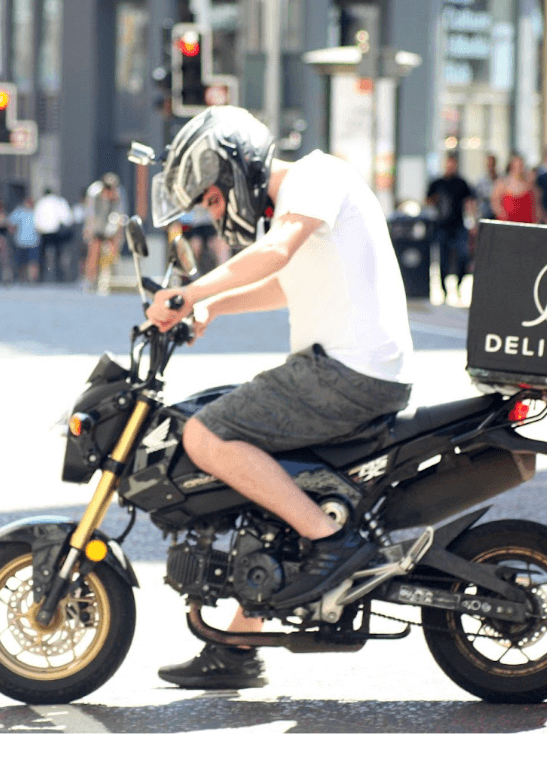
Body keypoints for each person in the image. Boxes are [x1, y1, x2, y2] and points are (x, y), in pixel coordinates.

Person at [146, 105, 414, 690]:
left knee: (206, 433)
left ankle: (330, 540)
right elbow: (278, 283)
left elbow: (274, 255)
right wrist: (209, 307)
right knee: (259, 476)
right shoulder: (300, 203)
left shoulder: (316, 177)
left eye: (213, 200)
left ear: (235, 168)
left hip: (348, 374)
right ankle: (237, 645)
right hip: (341, 370)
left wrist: (187, 293)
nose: (215, 214)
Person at [425, 153, 476, 304]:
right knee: (442, 260)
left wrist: (472, 221)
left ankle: (459, 286)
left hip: (459, 226)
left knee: (462, 256)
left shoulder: (462, 183)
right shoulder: (437, 183)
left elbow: (470, 202)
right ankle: (444, 291)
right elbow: (427, 200)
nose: (450, 166)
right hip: (441, 226)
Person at [83, 173, 125, 290]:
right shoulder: (94, 192)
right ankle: (90, 279)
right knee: (94, 249)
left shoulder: (119, 194)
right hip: (96, 226)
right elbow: (89, 214)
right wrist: (89, 231)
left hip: (110, 225)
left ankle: (107, 277)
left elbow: (120, 215)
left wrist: (118, 234)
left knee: (112, 249)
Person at [33, 186, 73, 282]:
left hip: (43, 232)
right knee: (58, 255)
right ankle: (59, 277)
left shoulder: (40, 202)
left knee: (42, 256)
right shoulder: (58, 201)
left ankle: (40, 277)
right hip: (56, 231)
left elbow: (36, 218)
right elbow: (66, 218)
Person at [491, 153, 539, 224]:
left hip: (526, 223)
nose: (518, 168)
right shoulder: (502, 183)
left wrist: (536, 221)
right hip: (508, 224)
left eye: (520, 165)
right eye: (516, 165)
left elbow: (536, 204)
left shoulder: (530, 184)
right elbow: (495, 202)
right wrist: (502, 216)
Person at [9, 195, 41, 283]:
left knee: (33, 262)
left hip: (34, 242)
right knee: (21, 263)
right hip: (20, 242)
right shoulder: (19, 211)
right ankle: (22, 279)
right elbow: (11, 225)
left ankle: (32, 280)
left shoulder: (37, 212)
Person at [474, 153, 499, 221]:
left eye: (492, 165)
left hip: (498, 216)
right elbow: (476, 201)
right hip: (485, 216)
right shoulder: (480, 182)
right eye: (488, 165)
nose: (490, 167)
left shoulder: (501, 180)